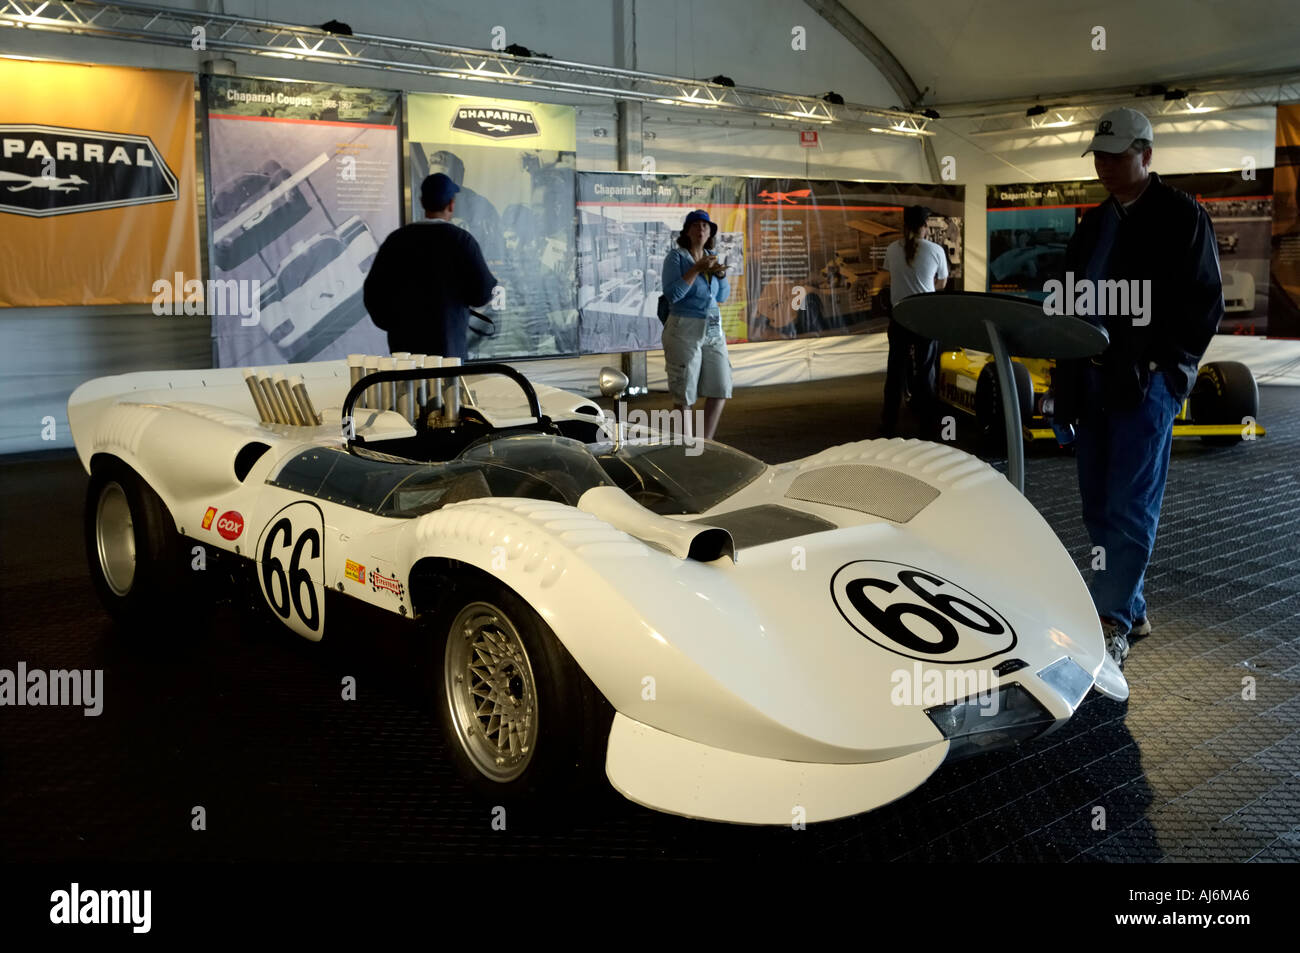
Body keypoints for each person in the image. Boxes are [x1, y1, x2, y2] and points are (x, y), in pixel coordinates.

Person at [1052, 107, 1224, 667]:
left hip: (1144, 387)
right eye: (1099, 154)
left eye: (1116, 154)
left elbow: (1204, 304)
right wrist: (1066, 377)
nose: (1103, 164)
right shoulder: (1095, 223)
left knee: (1128, 505)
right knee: (1099, 505)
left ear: (1146, 155)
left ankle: (1111, 620)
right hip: (1096, 380)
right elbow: (1072, 301)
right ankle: (1131, 603)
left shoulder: (1181, 217)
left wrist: (1167, 373)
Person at [362, 172, 497, 361]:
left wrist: (395, 324)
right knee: (449, 391)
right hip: (449, 351)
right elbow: (483, 292)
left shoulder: (397, 241)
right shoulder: (461, 241)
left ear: (421, 201)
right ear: (451, 204)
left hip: (404, 353)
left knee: (408, 390)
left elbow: (373, 293)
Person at [661, 209, 732, 440]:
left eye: (705, 225)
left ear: (710, 231)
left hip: (713, 327)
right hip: (684, 328)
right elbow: (673, 295)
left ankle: (705, 445)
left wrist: (719, 275)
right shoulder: (677, 257)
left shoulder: (712, 256)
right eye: (695, 225)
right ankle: (687, 450)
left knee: (720, 388)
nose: (701, 229)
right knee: (684, 393)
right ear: (687, 231)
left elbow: (722, 297)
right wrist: (696, 269)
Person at [879, 205, 948, 437]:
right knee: (925, 371)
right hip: (924, 317)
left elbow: (892, 278)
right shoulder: (936, 250)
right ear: (923, 227)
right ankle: (927, 428)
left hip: (900, 316)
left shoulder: (892, 249)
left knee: (895, 371)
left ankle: (888, 425)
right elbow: (941, 284)